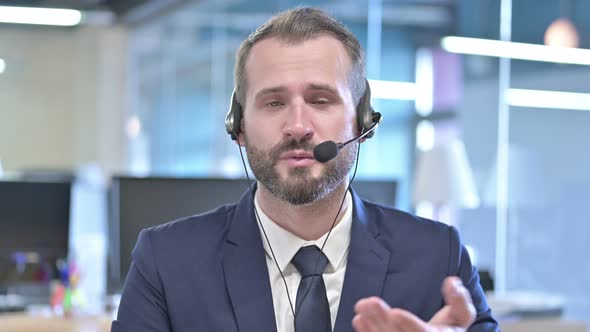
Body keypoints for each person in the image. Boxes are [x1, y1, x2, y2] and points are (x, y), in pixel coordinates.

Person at [112, 7, 498, 332]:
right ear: (239, 126)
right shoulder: (166, 261)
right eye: (274, 103)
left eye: (321, 99)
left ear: (363, 122)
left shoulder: (438, 257)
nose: (298, 126)